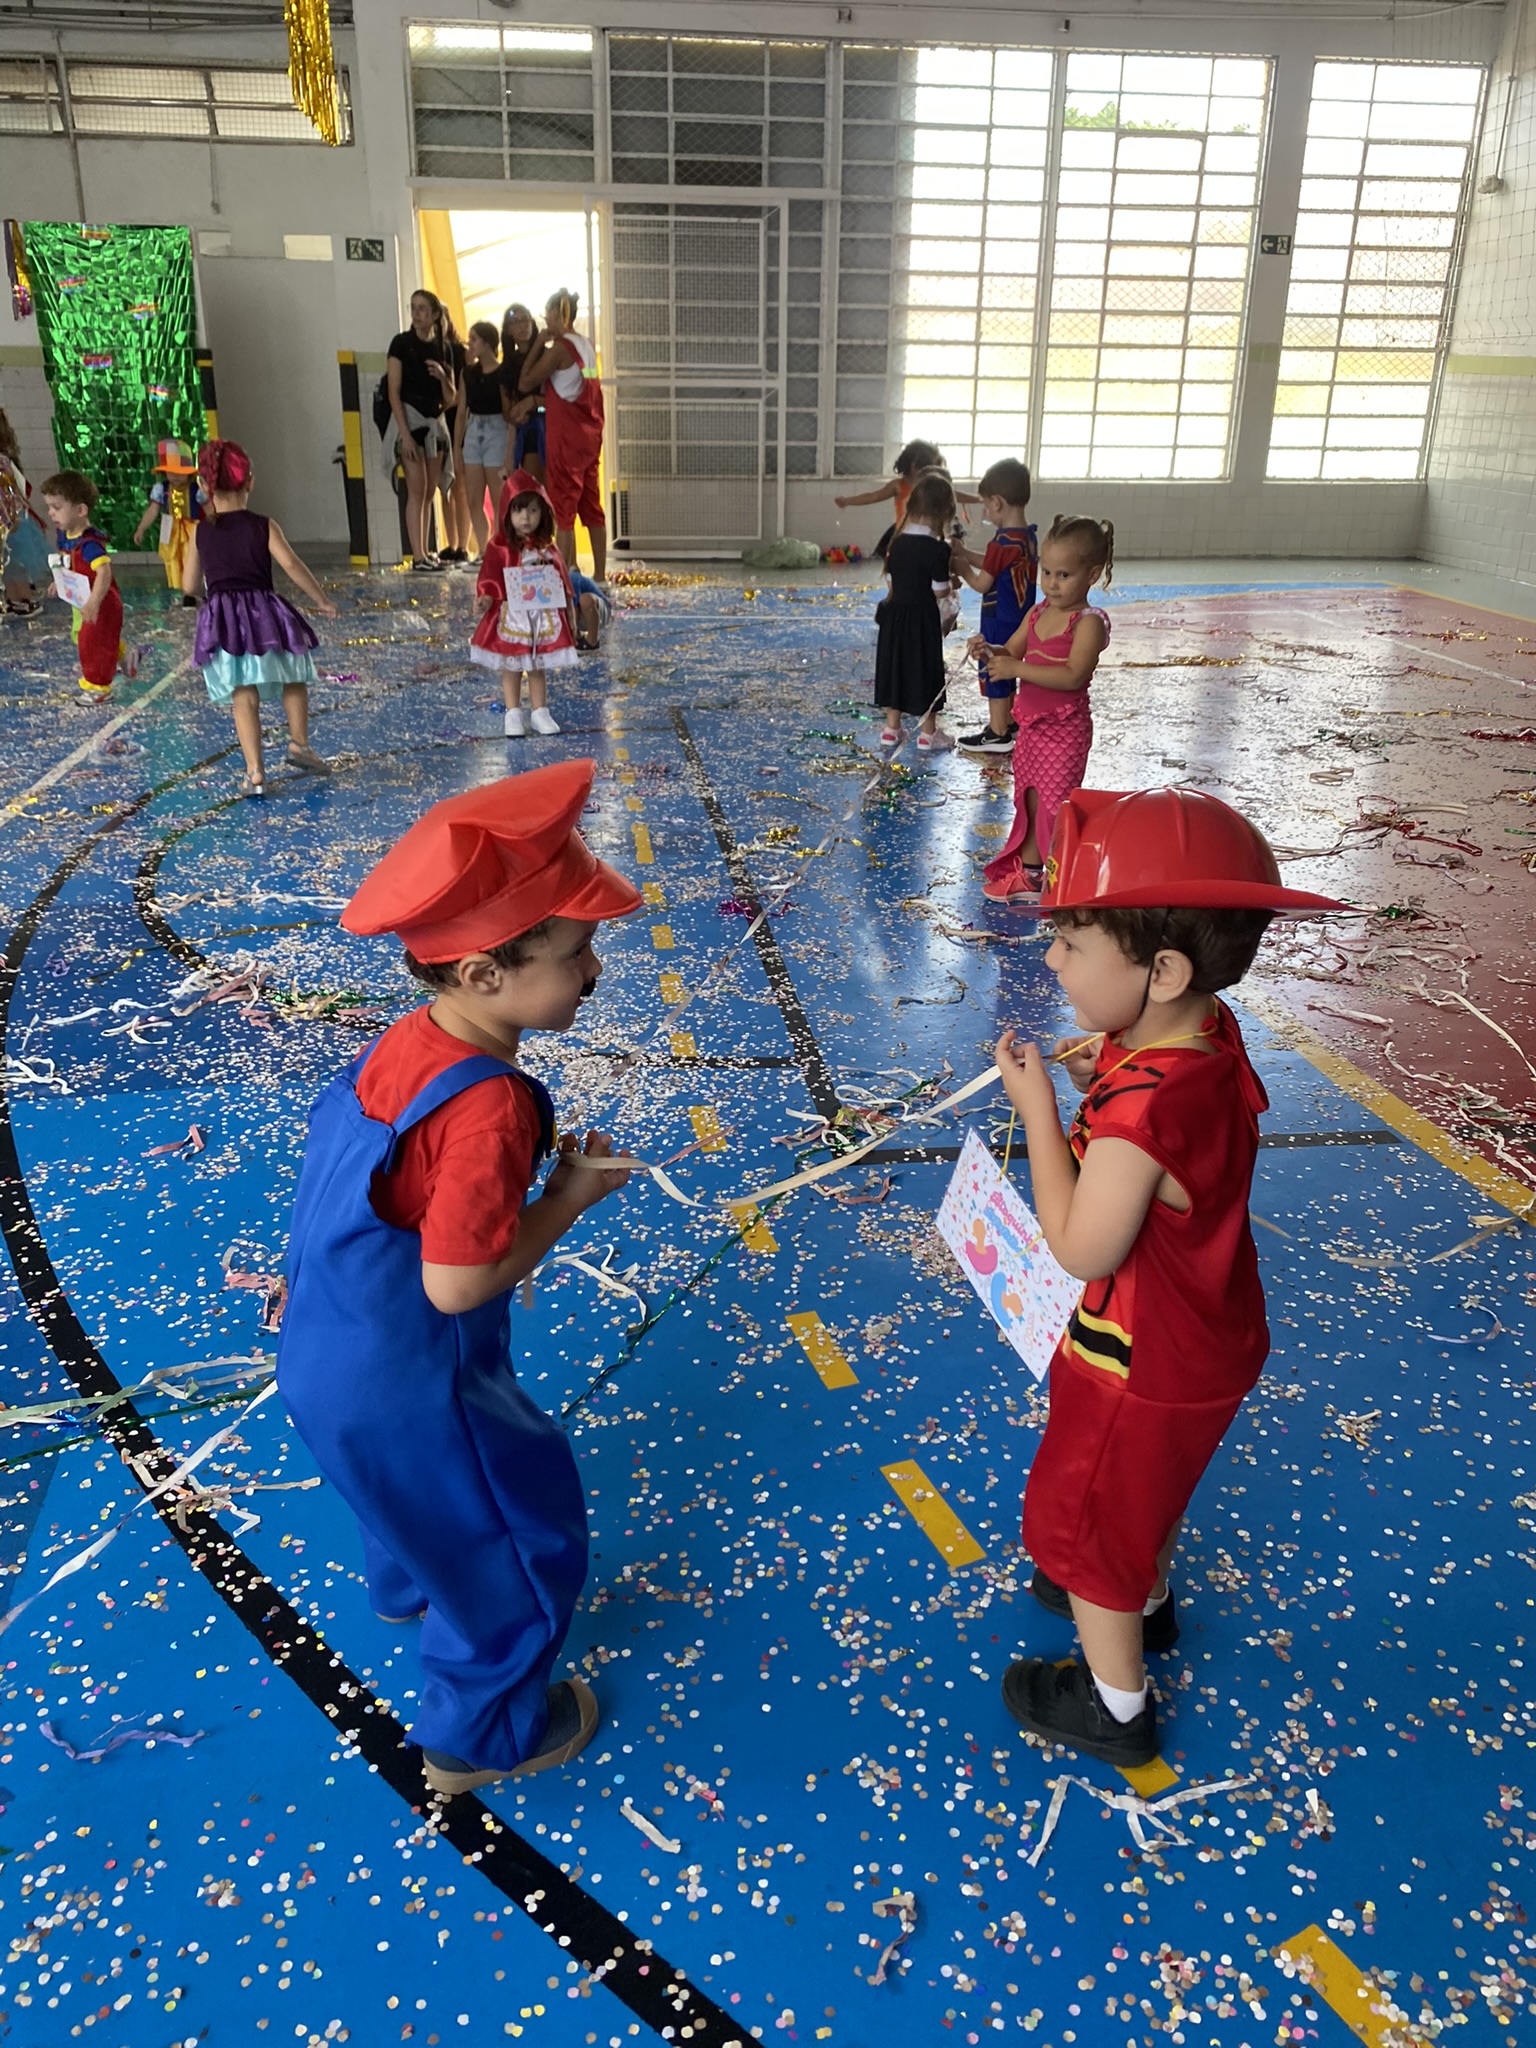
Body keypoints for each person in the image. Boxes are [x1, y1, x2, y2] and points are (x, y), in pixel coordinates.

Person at [276, 759, 643, 1796]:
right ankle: (476, 1738)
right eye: (575, 954)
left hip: (324, 1345)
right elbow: (456, 1285)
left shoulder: (410, 1039)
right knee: (516, 1540)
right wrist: (567, 1198)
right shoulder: (492, 1105)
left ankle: (407, 1583)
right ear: (483, 974)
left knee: (408, 1498)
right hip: (409, 1378)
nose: (594, 971)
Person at [992, 786, 1343, 1767]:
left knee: (1093, 1522)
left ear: (1164, 969)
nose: (1051, 960)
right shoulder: (1204, 1037)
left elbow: (1081, 1247)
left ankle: (1115, 1704)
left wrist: (1039, 1112)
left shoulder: (1140, 1114)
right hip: (1208, 1339)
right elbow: (1160, 1097)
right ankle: (1147, 1601)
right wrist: (1099, 1071)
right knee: (1146, 1492)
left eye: (1071, 942)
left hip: (1140, 1361)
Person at [973, 514, 1113, 906]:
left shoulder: (1088, 623)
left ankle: (1061, 878)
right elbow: (1010, 650)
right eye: (1046, 573)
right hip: (1031, 728)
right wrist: (988, 650)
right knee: (1030, 800)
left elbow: (1073, 676)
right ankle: (1032, 874)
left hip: (1064, 731)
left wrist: (1016, 669)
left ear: (1092, 574)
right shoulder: (1037, 612)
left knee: (1056, 806)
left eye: (1064, 575)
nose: (1052, 583)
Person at [183, 440, 335, 797]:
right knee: (293, 674)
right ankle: (299, 743)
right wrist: (322, 599)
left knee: (243, 694)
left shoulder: (200, 531)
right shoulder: (264, 526)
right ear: (250, 481)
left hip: (224, 621)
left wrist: (213, 594)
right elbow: (292, 565)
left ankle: (254, 772)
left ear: (204, 486)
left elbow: (188, 585)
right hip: (264, 614)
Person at [472, 469, 576, 738]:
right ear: (507, 512)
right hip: (512, 616)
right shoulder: (500, 547)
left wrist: (568, 611)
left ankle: (540, 712)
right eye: (518, 510)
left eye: (533, 510)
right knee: (512, 666)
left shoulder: (548, 548)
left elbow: (562, 581)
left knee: (537, 665)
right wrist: (486, 597)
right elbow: (490, 576)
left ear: (543, 512)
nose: (526, 518)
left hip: (540, 616)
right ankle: (513, 713)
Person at [517, 289, 605, 583]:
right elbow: (578, 391)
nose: (545, 319)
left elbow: (525, 381)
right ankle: (600, 574)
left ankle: (564, 575)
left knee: (564, 509)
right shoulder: (586, 345)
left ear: (556, 314)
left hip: (566, 438)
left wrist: (537, 344)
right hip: (589, 434)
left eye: (547, 313)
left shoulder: (559, 349)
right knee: (591, 506)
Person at [952, 458, 1037, 754]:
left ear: (997, 503)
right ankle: (1010, 723)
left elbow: (982, 582)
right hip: (1020, 618)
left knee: (994, 668)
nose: (986, 512)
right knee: (1009, 666)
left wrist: (963, 568)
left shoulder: (1001, 542)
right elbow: (995, 565)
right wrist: (965, 553)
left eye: (986, 506)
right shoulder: (1026, 536)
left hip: (998, 617)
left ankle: (998, 732)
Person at [873, 467, 956, 754]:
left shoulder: (897, 542)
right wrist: (953, 583)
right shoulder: (937, 548)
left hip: (894, 618)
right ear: (943, 512)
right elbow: (939, 591)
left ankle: (891, 729)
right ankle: (928, 734)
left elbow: (892, 582)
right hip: (921, 619)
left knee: (895, 667)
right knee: (925, 671)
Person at [41, 470, 135, 699]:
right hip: (82, 599)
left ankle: (98, 687)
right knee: (84, 636)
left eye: (56, 507)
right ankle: (123, 654)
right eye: (49, 507)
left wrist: (94, 602)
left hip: (102, 602)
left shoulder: (90, 543)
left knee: (92, 643)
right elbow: (66, 559)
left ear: (81, 510)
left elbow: (104, 572)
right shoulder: (65, 535)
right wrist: (59, 579)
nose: (51, 513)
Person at [387, 288, 459, 573]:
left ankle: (426, 551)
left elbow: (451, 397)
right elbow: (394, 392)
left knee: (430, 490)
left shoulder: (443, 347)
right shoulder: (401, 344)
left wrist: (442, 376)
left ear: (434, 314)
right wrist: (404, 434)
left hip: (434, 423)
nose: (417, 314)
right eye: (413, 308)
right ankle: (417, 555)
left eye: (422, 309)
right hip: (411, 421)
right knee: (416, 489)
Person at [835, 439, 980, 560]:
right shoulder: (898, 485)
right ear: (912, 465)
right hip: (905, 536)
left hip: (929, 535)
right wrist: (848, 501)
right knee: (901, 565)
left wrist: (978, 499)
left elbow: (954, 494)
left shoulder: (933, 486)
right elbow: (874, 496)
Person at [131, 437, 207, 607]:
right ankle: (182, 592)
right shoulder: (161, 489)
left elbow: (208, 509)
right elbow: (153, 510)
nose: (176, 476)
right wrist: (142, 527)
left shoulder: (196, 489)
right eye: (171, 472)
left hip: (191, 530)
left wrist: (216, 525)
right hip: (171, 530)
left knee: (193, 559)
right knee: (173, 561)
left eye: (181, 472)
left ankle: (196, 591)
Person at [454, 320, 506, 559]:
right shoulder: (468, 373)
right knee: (474, 498)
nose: (470, 343)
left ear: (487, 343)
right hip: (474, 430)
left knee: (498, 499)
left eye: (474, 339)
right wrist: (458, 445)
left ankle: (500, 548)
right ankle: (484, 550)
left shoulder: (502, 373)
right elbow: (461, 410)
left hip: (497, 429)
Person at [0, 409, 47, 618]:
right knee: (8, 564)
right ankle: (13, 598)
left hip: (9, 519)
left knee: (15, 562)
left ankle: (23, 597)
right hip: (8, 518)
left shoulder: (3, 462)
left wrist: (16, 513)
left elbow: (14, 492)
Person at [437, 311, 473, 565]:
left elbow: (464, 392)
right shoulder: (429, 350)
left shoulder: (461, 352)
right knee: (444, 487)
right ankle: (451, 544)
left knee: (460, 485)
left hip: (456, 420)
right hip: (439, 422)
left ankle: (463, 545)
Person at [499, 303, 545, 484]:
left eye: (525, 319)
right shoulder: (506, 367)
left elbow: (559, 399)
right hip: (526, 431)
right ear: (508, 330)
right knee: (531, 487)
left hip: (551, 423)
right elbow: (506, 411)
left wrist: (535, 404)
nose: (522, 325)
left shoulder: (548, 356)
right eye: (515, 322)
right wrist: (515, 415)